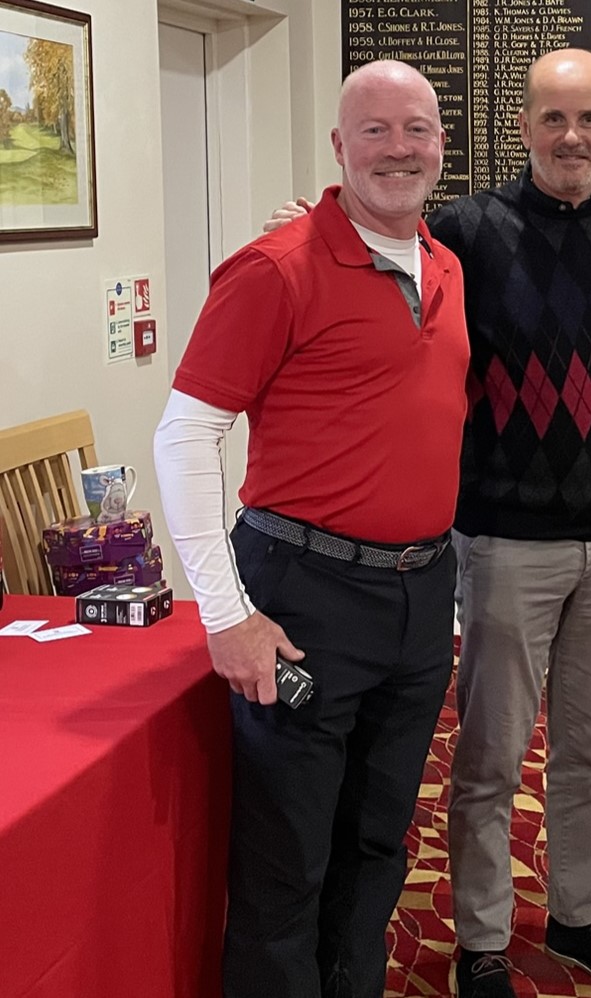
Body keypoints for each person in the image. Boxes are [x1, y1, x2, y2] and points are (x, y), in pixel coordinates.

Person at [265, 47, 591, 998]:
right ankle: (480, 939)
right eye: (553, 118)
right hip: (504, 542)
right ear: (522, 128)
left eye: (589, 119)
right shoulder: (467, 232)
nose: (571, 136)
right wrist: (308, 233)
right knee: (489, 757)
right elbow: (377, 257)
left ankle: (576, 918)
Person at [153, 60, 469, 998]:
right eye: (374, 130)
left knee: (376, 843)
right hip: (304, 595)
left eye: (415, 129)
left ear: (441, 144)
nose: (398, 149)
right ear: (338, 146)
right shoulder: (275, 267)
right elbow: (186, 437)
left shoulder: (445, 265)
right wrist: (225, 615)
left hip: (419, 599)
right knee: (286, 862)